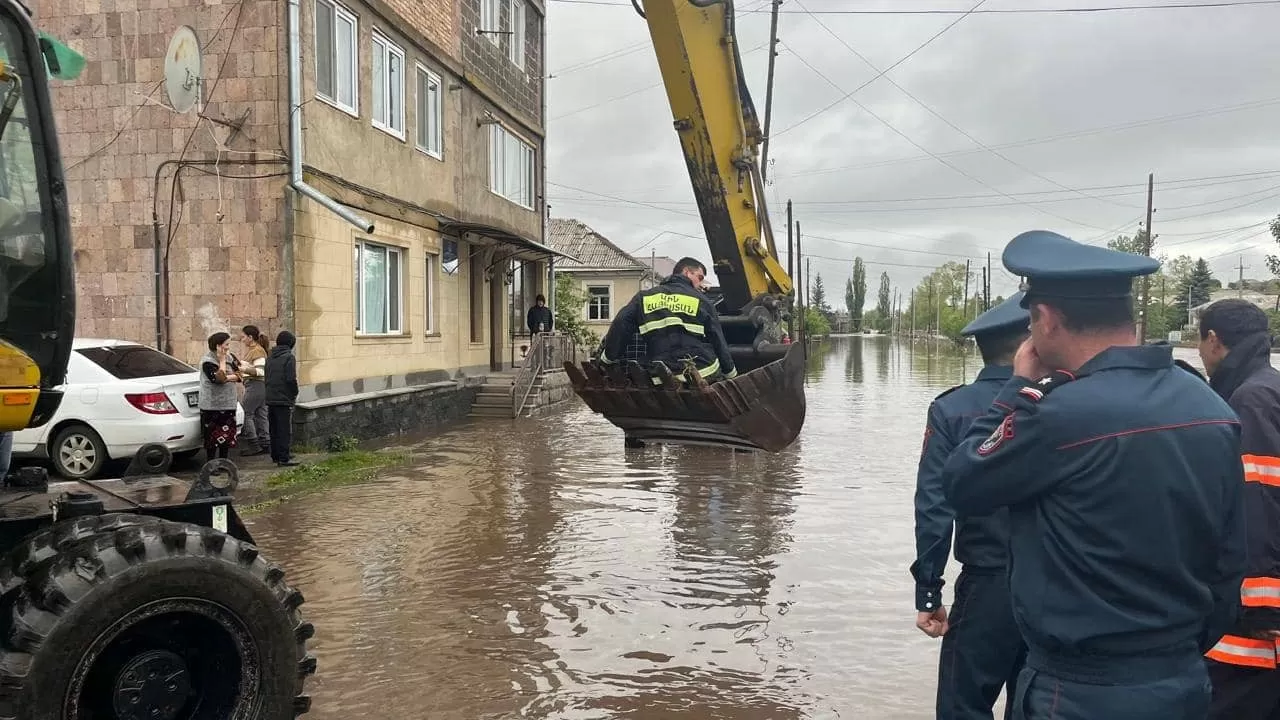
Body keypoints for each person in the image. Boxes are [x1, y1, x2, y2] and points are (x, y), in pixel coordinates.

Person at [941, 230, 1247, 720]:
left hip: (1080, 690)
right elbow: (1232, 557)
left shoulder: (1058, 417)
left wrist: (1015, 388)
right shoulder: (1211, 407)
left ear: (1044, 319)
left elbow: (961, 480)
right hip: (1183, 681)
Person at [912, 292, 1031, 720]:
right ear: (1030, 343)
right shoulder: (1066, 401)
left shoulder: (952, 409)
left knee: (963, 704)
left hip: (988, 586)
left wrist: (929, 590)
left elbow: (934, 505)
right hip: (1059, 584)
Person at [1197, 299, 1280, 718]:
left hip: (1256, 614)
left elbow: (1258, 495)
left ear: (1213, 340)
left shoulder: (1250, 398)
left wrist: (1262, 604)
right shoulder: (1270, 386)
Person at [597, 256, 737, 383]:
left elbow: (620, 325)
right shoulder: (702, 301)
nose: (701, 284)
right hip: (702, 372)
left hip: (660, 375)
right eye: (699, 278)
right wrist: (732, 375)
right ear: (687, 272)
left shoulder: (644, 298)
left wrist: (607, 359)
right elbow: (718, 341)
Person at [199, 332, 243, 460]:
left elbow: (240, 375)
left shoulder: (231, 357)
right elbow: (218, 379)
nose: (228, 347)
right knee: (212, 438)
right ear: (218, 346)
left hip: (228, 403)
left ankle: (224, 462)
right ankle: (211, 464)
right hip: (212, 405)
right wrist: (222, 361)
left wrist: (228, 377)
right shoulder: (208, 361)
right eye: (226, 344)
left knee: (227, 437)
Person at [265, 330, 300, 467]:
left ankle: (275, 455)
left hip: (270, 396)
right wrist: (294, 393)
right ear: (291, 344)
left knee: (273, 428)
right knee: (284, 429)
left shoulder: (270, 356)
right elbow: (291, 379)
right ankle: (284, 457)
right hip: (284, 397)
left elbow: (266, 377)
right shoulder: (289, 357)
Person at [237, 325, 270, 457]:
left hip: (255, 385)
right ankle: (265, 443)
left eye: (244, 337)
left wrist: (242, 368)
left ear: (250, 337)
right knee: (261, 414)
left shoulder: (257, 351)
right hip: (259, 385)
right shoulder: (255, 350)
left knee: (246, 414)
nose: (242, 339)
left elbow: (260, 371)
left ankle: (254, 444)